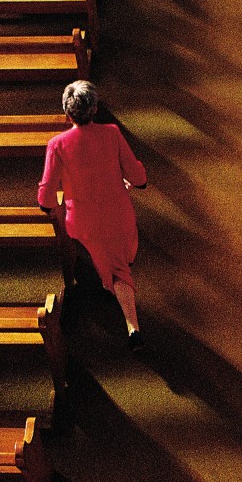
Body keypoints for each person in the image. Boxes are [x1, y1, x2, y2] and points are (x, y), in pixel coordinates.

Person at [36, 80, 149, 350]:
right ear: (95, 108)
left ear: (67, 112)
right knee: (120, 265)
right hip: (118, 214)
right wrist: (132, 180)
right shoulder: (111, 133)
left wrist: (55, 204)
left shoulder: (57, 144)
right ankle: (132, 325)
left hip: (86, 223)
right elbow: (137, 175)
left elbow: (45, 195)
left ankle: (118, 296)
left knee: (109, 266)